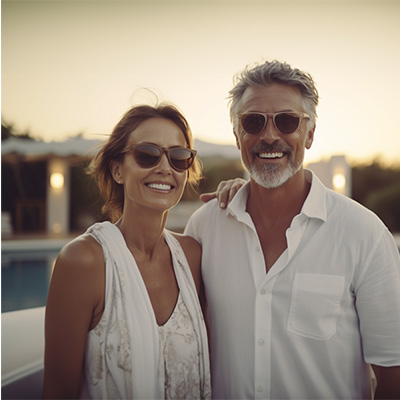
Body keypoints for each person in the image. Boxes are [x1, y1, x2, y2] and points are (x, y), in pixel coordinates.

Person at [185, 60, 400, 399]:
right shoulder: (204, 226)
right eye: (253, 122)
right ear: (237, 135)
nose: (269, 136)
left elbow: (393, 375)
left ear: (310, 133)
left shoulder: (365, 235)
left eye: (287, 121)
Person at [43, 103, 211, 399]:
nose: (164, 168)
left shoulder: (192, 256)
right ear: (118, 169)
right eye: (147, 154)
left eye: (179, 157)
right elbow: (58, 393)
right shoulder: (84, 262)